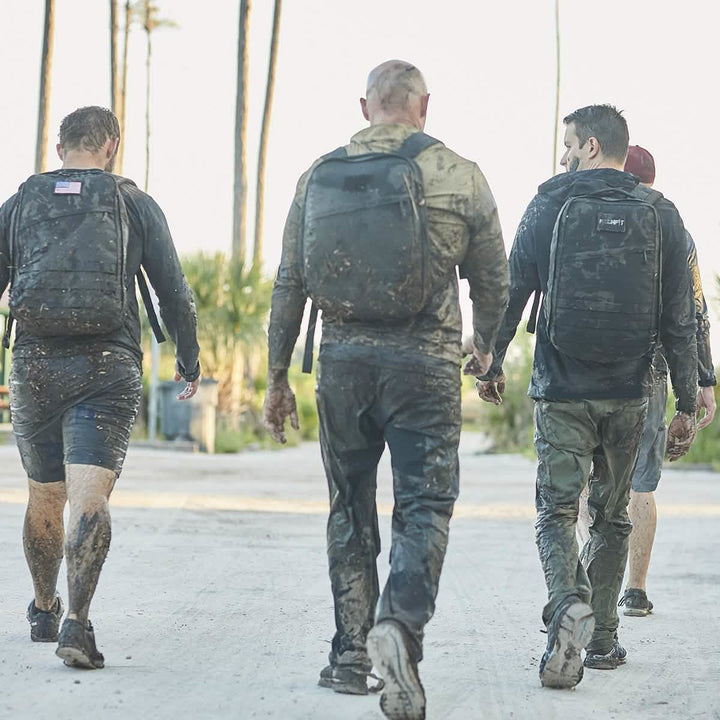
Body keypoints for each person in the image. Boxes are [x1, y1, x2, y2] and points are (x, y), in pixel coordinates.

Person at [263, 60, 509, 720]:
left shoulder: (317, 175)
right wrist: (487, 354)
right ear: (423, 105)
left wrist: (277, 377)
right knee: (424, 505)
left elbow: (290, 283)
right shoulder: (461, 174)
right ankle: (398, 624)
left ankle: (349, 655)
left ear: (364, 105)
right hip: (425, 370)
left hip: (342, 365)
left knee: (349, 506)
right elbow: (494, 285)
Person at [476, 105, 698, 688]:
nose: (563, 156)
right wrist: (687, 404)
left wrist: (492, 363)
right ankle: (601, 639)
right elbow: (679, 321)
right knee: (612, 513)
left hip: (562, 387)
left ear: (592, 146)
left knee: (555, 511)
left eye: (569, 145)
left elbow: (511, 289)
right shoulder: (663, 215)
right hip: (630, 392)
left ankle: (568, 604)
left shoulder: (548, 203)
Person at [0, 106, 200, 669]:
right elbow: (174, 293)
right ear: (110, 146)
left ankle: (42, 607)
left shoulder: (20, 204)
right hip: (105, 367)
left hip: (35, 363)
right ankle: (76, 626)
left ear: (59, 145)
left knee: (44, 494)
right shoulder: (133, 202)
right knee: (88, 498)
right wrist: (188, 361)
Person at [577, 145, 716, 616]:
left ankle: (588, 573)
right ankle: (634, 589)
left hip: (590, 367)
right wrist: (703, 380)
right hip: (654, 372)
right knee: (641, 484)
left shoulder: (589, 216)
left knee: (586, 478)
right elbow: (695, 312)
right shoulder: (675, 228)